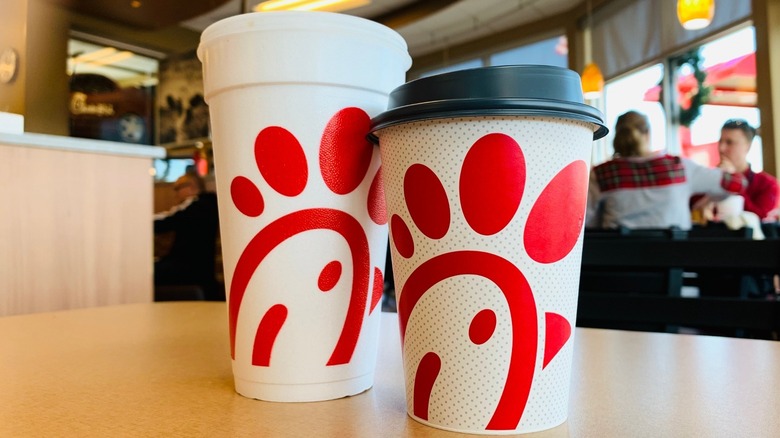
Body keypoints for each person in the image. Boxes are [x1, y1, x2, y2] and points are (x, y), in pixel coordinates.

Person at [587, 111, 747, 230]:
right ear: (648, 134)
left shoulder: (601, 174)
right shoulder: (679, 168)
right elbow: (737, 184)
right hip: (673, 266)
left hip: (615, 267)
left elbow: (586, 221)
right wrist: (710, 198)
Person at [695, 119, 778, 220]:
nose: (721, 148)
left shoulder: (767, 184)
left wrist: (734, 181)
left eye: (729, 142)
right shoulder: (709, 179)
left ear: (748, 146)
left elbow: (759, 218)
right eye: (720, 141)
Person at [154, 172, 220, 298]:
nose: (176, 193)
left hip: (188, 269)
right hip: (201, 271)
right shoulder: (207, 205)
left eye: (178, 188)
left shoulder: (195, 206)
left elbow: (166, 221)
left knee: (143, 275)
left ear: (191, 187)